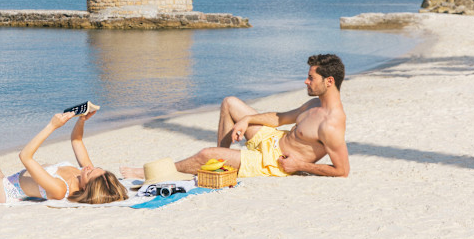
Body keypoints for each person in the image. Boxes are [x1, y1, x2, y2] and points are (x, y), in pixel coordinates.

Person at [122, 54, 350, 179]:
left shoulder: (331, 125)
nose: (306, 81)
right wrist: (247, 120)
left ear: (329, 81)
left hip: (272, 162)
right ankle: (223, 164)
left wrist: (300, 165)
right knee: (230, 103)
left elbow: (342, 170)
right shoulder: (313, 104)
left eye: (311, 78)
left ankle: (148, 173)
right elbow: (279, 118)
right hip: (271, 140)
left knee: (205, 154)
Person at [0, 109, 128, 208]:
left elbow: (25, 156)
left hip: (6, 190)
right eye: (96, 168)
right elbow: (76, 141)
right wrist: (82, 120)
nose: (89, 168)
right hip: (13, 185)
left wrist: (52, 126)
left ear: (85, 188)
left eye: (91, 173)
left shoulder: (60, 189)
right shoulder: (83, 175)